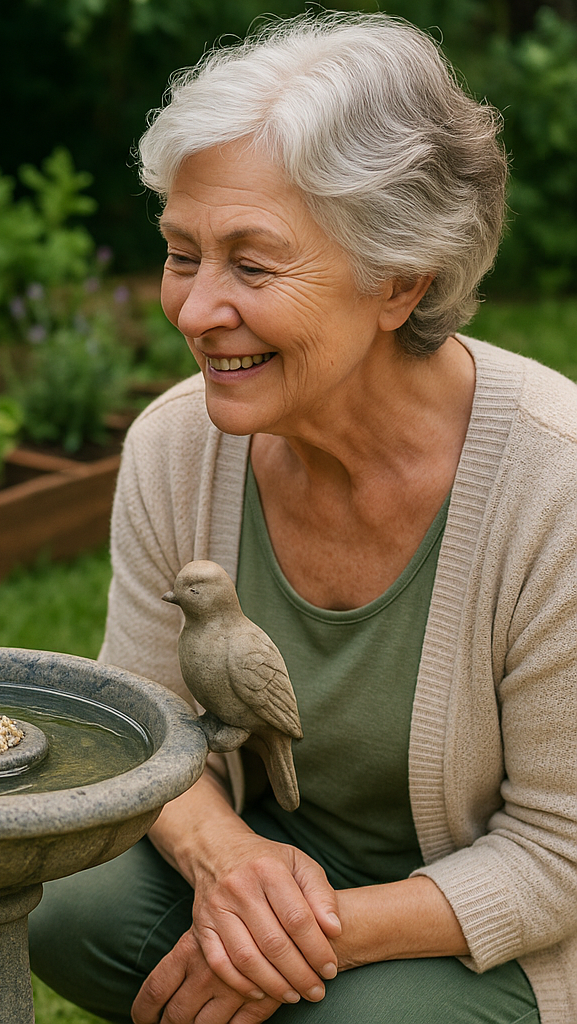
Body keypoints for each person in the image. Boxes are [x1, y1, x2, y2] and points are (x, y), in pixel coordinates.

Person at [28, 11, 577, 1024]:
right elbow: (146, 724)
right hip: (271, 868)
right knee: (57, 899)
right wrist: (226, 863)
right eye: (182, 253)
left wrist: (283, 937)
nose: (193, 310)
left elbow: (558, 857)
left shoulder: (557, 484)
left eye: (251, 262)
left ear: (398, 280)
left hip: (490, 925)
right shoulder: (176, 443)